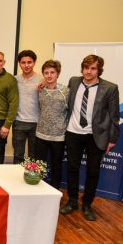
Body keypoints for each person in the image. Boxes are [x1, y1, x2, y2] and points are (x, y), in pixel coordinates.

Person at [60, 55, 119, 221]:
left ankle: (87, 204)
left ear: (98, 70)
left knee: (93, 171)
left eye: (93, 68)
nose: (88, 71)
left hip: (96, 136)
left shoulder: (110, 88)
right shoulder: (74, 81)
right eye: (86, 67)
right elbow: (61, 95)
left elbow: (114, 116)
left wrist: (112, 139)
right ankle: (72, 201)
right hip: (73, 132)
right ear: (82, 68)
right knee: (72, 168)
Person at [34, 60, 68, 190]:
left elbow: (70, 111)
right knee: (38, 165)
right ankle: (37, 189)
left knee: (56, 165)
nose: (49, 75)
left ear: (57, 73)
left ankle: (54, 191)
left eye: (52, 72)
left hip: (58, 136)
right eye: (46, 72)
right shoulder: (40, 90)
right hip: (41, 134)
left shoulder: (66, 91)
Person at [13, 50, 42, 164]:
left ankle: (31, 179)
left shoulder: (42, 79)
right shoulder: (15, 80)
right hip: (19, 122)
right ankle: (16, 179)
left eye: (29, 62)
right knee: (18, 155)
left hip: (36, 123)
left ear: (34, 63)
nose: (26, 65)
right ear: (19, 63)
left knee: (34, 156)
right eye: (23, 62)